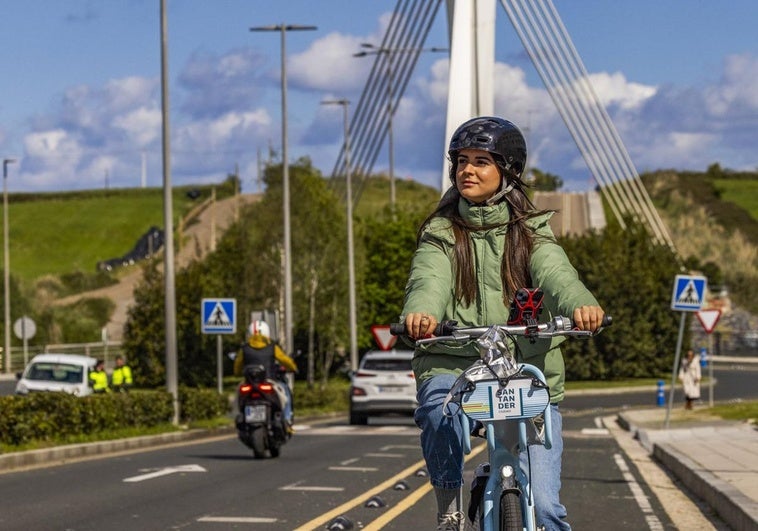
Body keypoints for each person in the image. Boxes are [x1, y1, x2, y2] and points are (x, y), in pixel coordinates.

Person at [401, 116, 605, 531]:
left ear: (507, 172)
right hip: (452, 361)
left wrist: (582, 303)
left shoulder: (532, 232)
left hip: (523, 371)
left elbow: (557, 274)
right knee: (439, 413)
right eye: (461, 161)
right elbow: (429, 279)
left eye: (481, 161)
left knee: (547, 511)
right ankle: (450, 507)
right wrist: (421, 313)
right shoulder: (442, 233)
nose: (467, 170)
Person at [234, 320, 298, 432]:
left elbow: (237, 366)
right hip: (269, 381)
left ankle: (241, 415)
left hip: (249, 383)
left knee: (238, 395)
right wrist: (293, 367)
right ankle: (287, 421)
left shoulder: (244, 348)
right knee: (286, 393)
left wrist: (237, 373)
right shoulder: (272, 347)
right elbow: (284, 359)